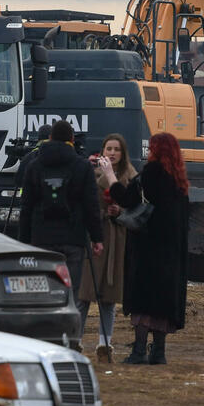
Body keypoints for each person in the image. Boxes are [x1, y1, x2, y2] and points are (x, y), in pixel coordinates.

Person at [98, 132, 189, 365]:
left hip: (149, 249)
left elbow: (128, 199)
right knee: (162, 304)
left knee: (144, 300)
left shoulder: (152, 173)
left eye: (152, 149)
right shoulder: (179, 181)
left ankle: (139, 350)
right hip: (171, 253)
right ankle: (159, 352)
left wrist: (109, 176)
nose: (149, 153)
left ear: (157, 151)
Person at [19, 120, 104, 351]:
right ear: (72, 140)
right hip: (73, 238)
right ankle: (72, 339)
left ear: (49, 139)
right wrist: (97, 238)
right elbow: (91, 206)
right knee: (72, 292)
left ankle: (45, 337)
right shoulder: (82, 166)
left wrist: (23, 242)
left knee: (44, 289)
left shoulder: (34, 166)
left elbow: (26, 208)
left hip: (42, 238)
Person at [77, 134, 137, 364]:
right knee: (83, 294)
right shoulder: (91, 174)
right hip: (94, 237)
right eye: (108, 148)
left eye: (117, 149)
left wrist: (120, 212)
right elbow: (85, 205)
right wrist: (103, 213)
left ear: (123, 153)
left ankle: (105, 344)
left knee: (109, 297)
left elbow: (133, 205)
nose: (112, 153)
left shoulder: (130, 176)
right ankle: (76, 340)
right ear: (102, 151)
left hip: (116, 238)